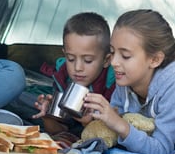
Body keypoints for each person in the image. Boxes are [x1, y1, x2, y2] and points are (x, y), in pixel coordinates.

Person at [83, 9, 175, 154]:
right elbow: (111, 127)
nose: (114, 62)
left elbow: (161, 151)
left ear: (154, 59)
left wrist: (119, 124)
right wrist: (95, 118)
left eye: (125, 56)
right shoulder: (125, 77)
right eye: (113, 52)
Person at [32, 12, 114, 146]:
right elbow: (60, 132)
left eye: (87, 60)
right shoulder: (63, 78)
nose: (78, 67)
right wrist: (48, 116)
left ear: (106, 60)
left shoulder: (112, 86)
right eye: (70, 59)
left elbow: (110, 136)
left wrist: (88, 123)